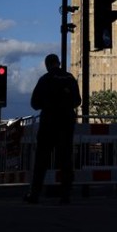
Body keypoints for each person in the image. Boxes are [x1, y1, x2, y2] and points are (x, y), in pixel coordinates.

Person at [25, 54, 81, 205]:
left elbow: (35, 103)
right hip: (66, 124)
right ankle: (65, 195)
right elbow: (77, 100)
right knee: (65, 160)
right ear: (59, 63)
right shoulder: (69, 78)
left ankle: (35, 194)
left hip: (49, 123)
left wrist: (48, 104)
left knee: (41, 159)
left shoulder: (45, 79)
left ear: (47, 64)